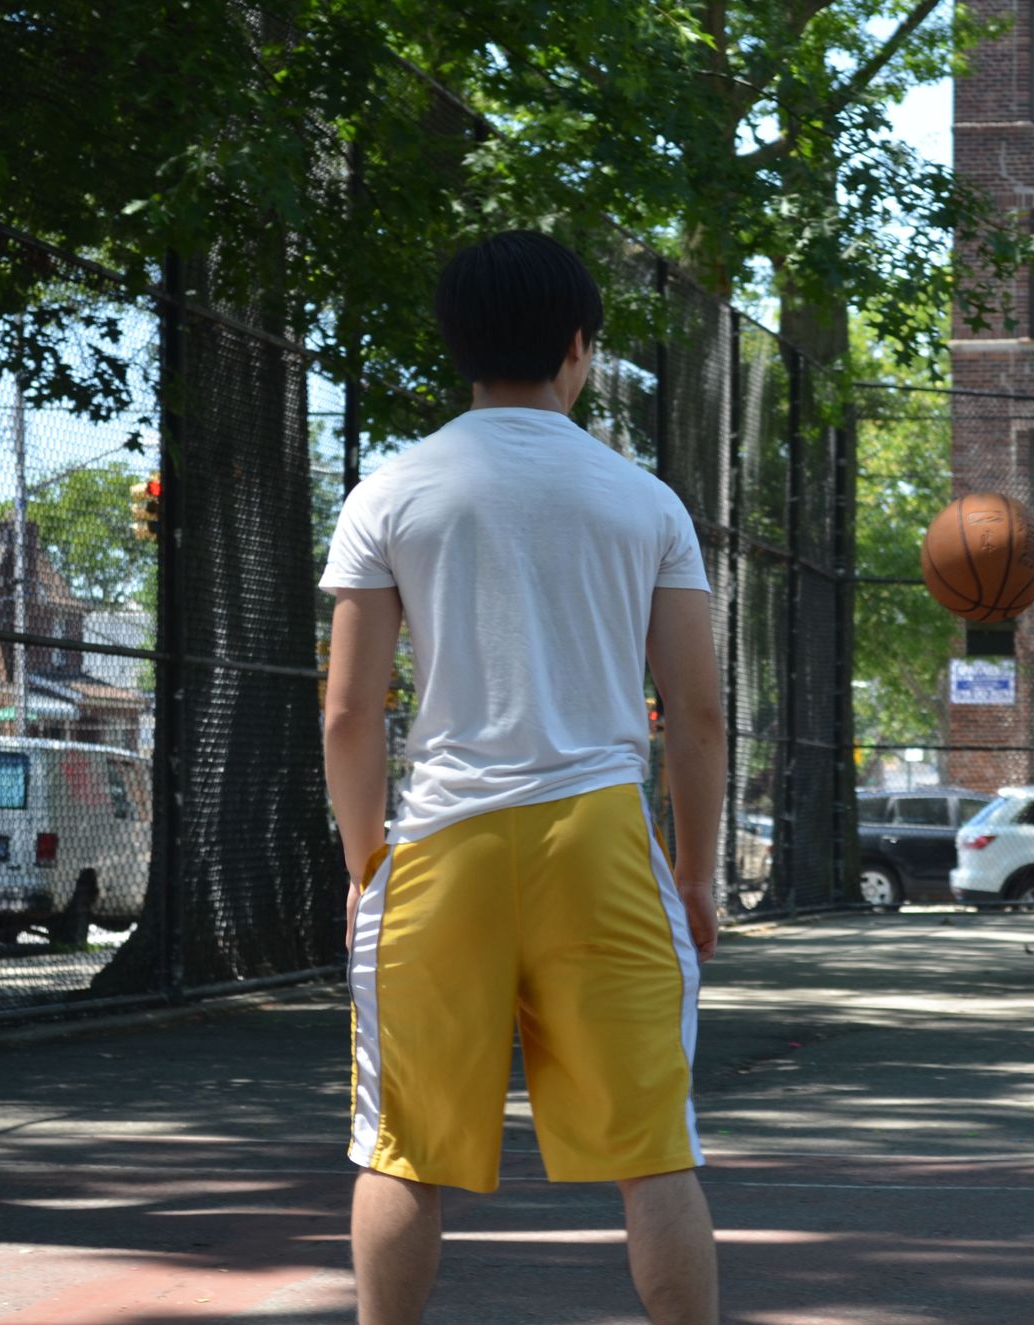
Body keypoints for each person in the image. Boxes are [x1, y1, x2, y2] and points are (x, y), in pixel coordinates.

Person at [320, 230, 726, 1325]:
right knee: (654, 1150)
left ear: (458, 347)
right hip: (595, 840)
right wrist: (693, 874)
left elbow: (351, 711)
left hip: (443, 841)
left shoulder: (393, 490)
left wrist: (368, 863)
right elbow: (694, 713)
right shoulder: (643, 501)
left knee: (402, 1149)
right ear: (577, 348)